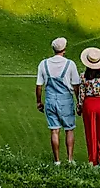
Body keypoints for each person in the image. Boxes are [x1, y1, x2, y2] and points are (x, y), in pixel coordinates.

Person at [36, 37, 80, 165]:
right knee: (69, 129)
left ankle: (57, 161)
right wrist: (79, 102)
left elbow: (39, 85)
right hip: (65, 99)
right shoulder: (70, 64)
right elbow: (76, 85)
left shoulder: (43, 64)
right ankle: (70, 159)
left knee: (54, 130)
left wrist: (39, 102)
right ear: (64, 49)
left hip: (50, 99)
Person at [78, 47, 100, 168]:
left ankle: (93, 160)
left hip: (89, 103)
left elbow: (81, 94)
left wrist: (80, 107)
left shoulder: (83, 76)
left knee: (90, 132)